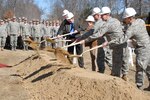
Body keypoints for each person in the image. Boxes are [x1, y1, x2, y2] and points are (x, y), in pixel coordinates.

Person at [118, 8, 150, 90]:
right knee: (149, 67)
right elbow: (130, 27)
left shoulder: (132, 28)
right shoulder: (141, 21)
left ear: (130, 18)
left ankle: (139, 88)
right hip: (148, 46)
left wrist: (109, 42)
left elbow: (123, 39)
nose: (124, 20)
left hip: (142, 49)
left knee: (140, 68)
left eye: (125, 18)